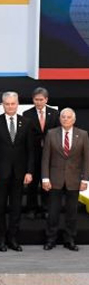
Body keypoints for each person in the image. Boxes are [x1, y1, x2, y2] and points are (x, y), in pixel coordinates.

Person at [0, 91, 34, 252]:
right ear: (2, 105)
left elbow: (30, 150)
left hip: (20, 174)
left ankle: (13, 238)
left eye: (13, 103)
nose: (10, 106)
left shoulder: (26, 122)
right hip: (0, 174)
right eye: (7, 104)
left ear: (17, 103)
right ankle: (0, 239)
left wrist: (29, 171)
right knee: (0, 207)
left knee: (16, 207)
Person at [41, 108, 89, 252]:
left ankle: (70, 240)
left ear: (74, 120)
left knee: (72, 213)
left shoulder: (83, 135)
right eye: (63, 117)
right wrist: (45, 178)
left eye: (69, 117)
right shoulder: (51, 134)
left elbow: (87, 159)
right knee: (53, 212)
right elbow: (45, 158)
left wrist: (85, 179)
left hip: (74, 180)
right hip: (54, 179)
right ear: (60, 119)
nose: (66, 119)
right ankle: (51, 239)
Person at [22, 87, 59, 220]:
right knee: (33, 183)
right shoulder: (27, 114)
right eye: (36, 100)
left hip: (50, 154)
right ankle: (31, 208)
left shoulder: (54, 113)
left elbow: (57, 133)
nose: (38, 102)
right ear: (33, 99)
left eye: (41, 100)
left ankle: (45, 208)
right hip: (33, 153)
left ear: (46, 99)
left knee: (47, 182)